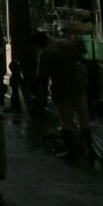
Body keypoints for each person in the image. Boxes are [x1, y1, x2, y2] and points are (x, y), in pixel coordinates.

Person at [33, 30, 91, 159]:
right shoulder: (66, 43)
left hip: (61, 90)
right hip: (78, 86)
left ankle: (70, 151)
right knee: (84, 120)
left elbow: (43, 77)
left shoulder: (45, 54)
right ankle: (90, 149)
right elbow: (81, 59)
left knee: (66, 122)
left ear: (39, 43)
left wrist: (43, 98)